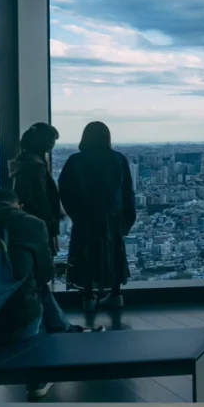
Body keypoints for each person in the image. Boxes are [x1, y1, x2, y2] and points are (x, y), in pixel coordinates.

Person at [0, 186, 82, 397]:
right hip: (15, 326)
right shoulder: (31, 225)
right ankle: (39, 374)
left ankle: (64, 329)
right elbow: (44, 274)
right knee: (34, 287)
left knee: (29, 286)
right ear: (18, 206)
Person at [58, 120, 136, 314]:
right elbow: (127, 192)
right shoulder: (118, 159)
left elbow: (65, 191)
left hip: (85, 217)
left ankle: (87, 297)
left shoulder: (75, 160)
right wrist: (127, 218)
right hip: (113, 216)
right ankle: (116, 295)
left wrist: (75, 214)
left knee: (85, 253)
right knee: (114, 252)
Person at [9, 122, 63, 259]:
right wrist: (50, 221)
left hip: (26, 219)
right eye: (51, 140)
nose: (52, 144)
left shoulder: (24, 161)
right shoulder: (35, 166)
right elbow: (40, 197)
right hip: (39, 221)